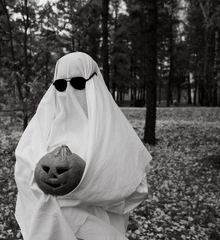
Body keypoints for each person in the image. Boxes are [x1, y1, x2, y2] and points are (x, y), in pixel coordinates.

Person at [14, 52, 151, 240]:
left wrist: (86, 185)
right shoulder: (41, 128)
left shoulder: (111, 131)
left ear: (93, 82)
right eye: (61, 85)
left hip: (99, 229)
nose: (68, 91)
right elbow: (24, 172)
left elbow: (136, 188)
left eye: (78, 83)